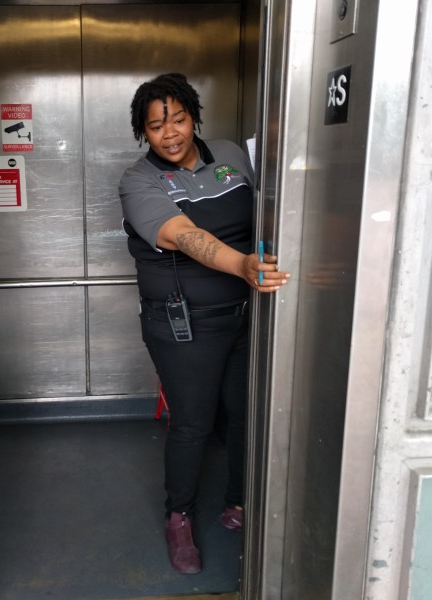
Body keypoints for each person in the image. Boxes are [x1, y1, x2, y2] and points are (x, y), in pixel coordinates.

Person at [118, 73, 290, 574]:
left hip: (244, 316)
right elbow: (182, 235)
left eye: (178, 119)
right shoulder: (139, 180)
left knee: (244, 413)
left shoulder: (233, 155)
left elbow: (275, 203)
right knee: (192, 424)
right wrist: (243, 265)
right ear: (144, 132)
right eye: (156, 127)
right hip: (182, 327)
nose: (169, 133)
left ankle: (238, 500)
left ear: (194, 116)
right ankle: (179, 517)